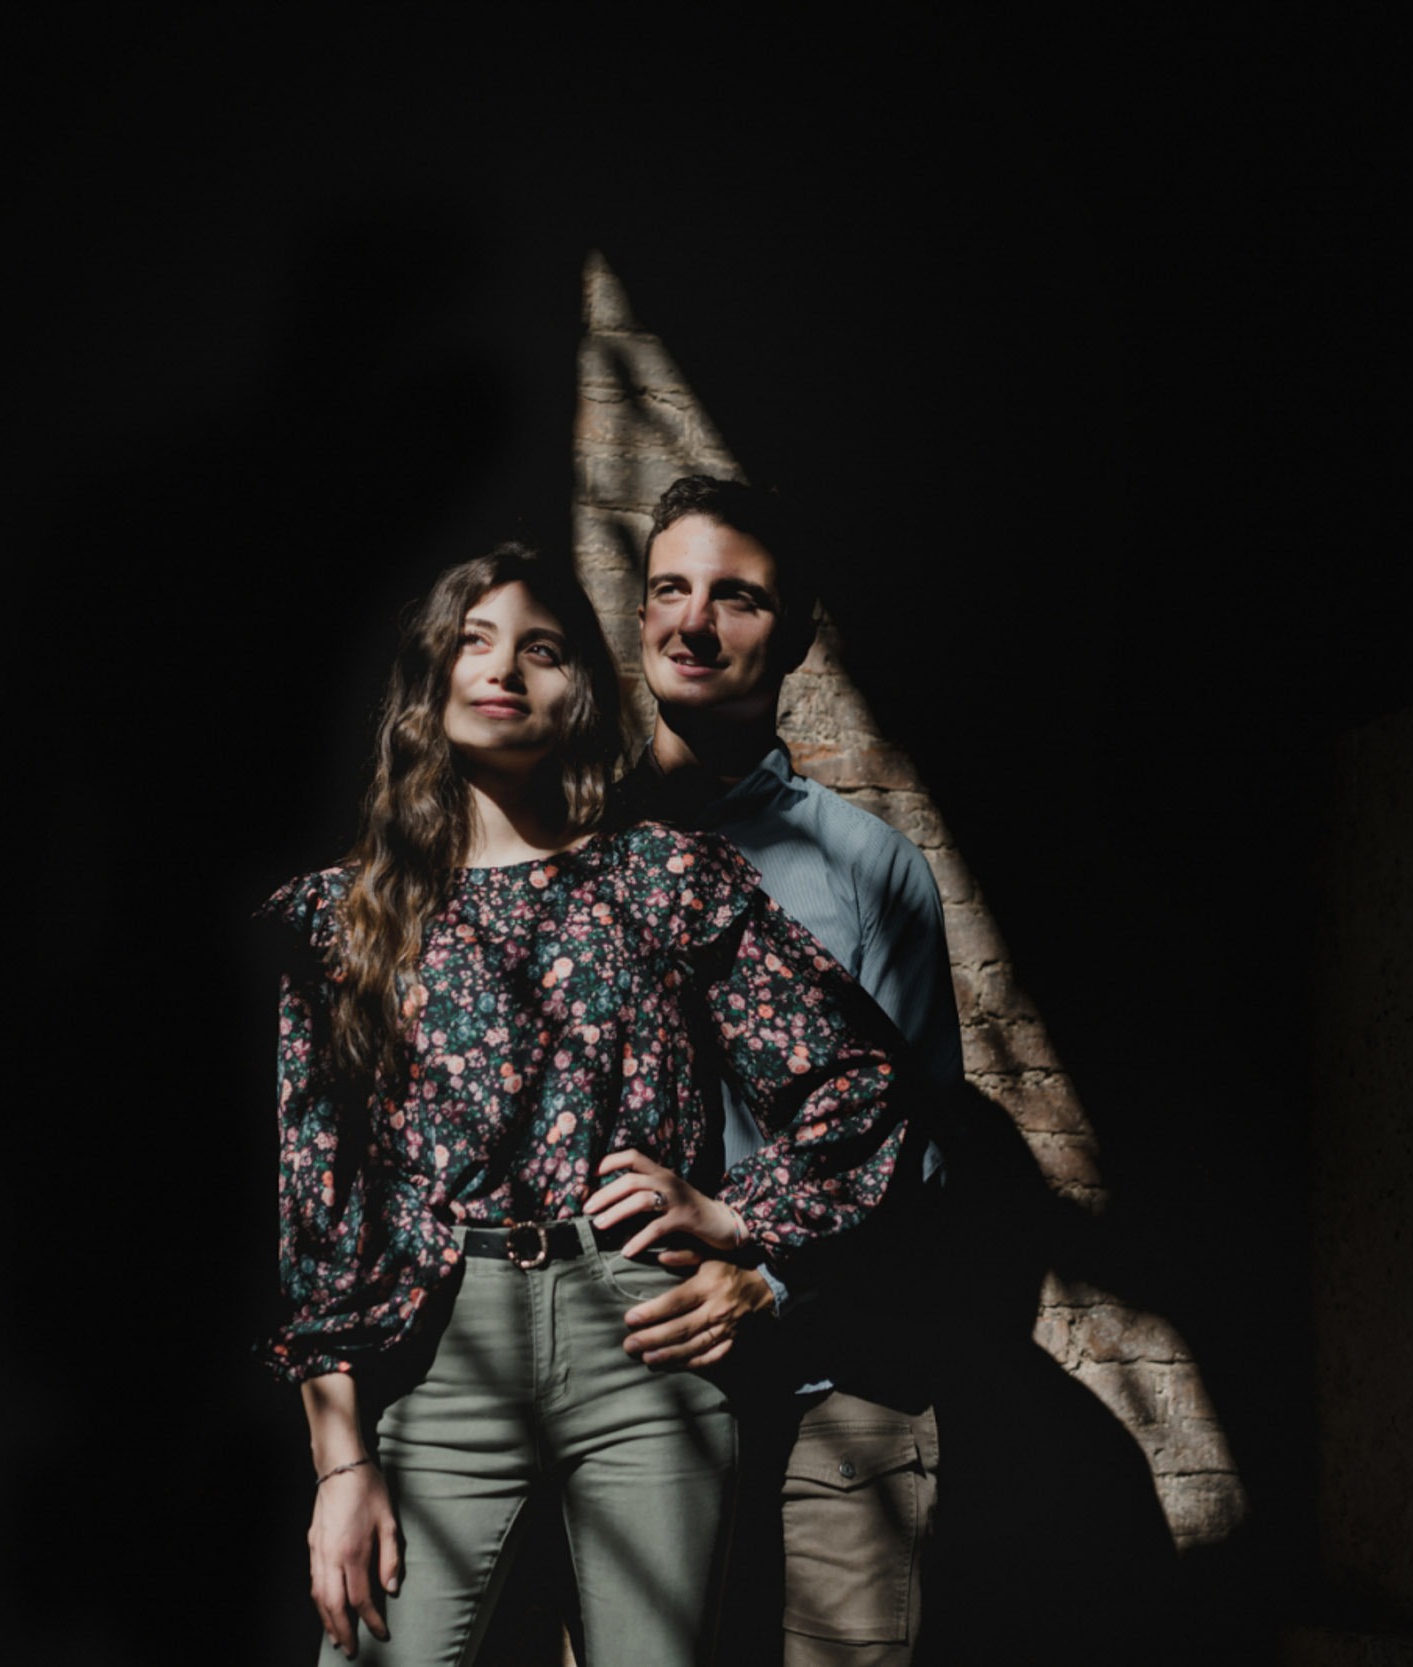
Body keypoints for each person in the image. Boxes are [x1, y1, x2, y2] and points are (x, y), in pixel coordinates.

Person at [256, 542, 914, 1667]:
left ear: (579, 695)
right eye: (473, 640)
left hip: (641, 1342)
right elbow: (323, 1208)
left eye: (542, 647)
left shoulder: (658, 877)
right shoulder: (340, 919)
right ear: (428, 681)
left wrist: (742, 1218)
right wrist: (341, 1465)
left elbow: (858, 1078)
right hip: (440, 1345)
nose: (504, 667)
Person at [615, 476, 961, 1667]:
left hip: (842, 1385)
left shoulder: (869, 872)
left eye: (736, 597)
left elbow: (920, 1153)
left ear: (798, 633)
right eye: (670, 587)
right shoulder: (565, 846)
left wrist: (771, 1273)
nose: (693, 622)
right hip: (629, 1378)